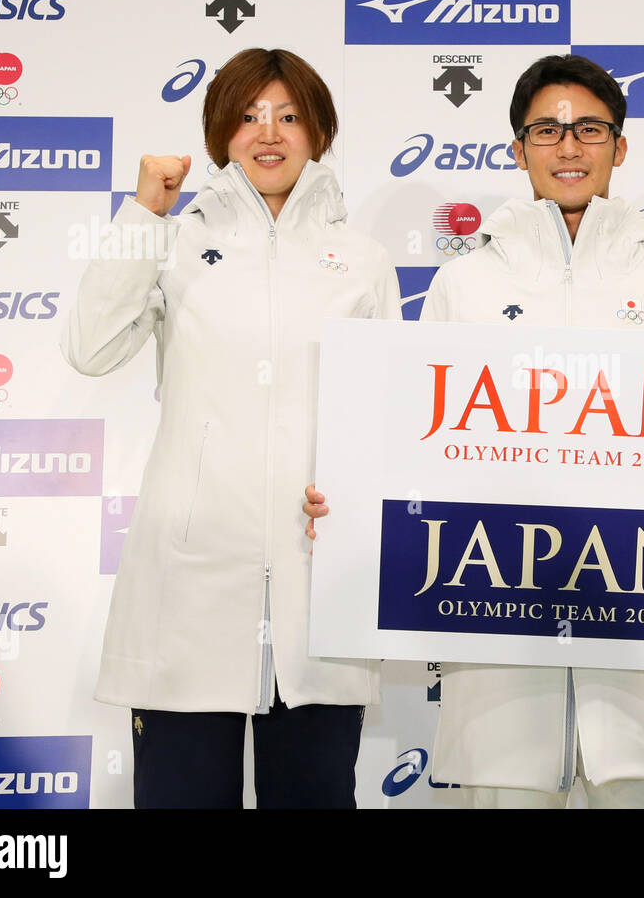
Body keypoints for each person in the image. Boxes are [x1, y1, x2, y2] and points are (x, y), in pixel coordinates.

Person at [305, 53, 644, 808]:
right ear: (518, 149)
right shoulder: (463, 285)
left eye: (589, 129)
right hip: (498, 702)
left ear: (620, 146)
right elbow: (405, 454)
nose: (569, 146)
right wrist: (347, 507)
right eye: (547, 130)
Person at [62, 48, 401, 808]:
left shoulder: (363, 260)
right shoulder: (174, 241)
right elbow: (90, 347)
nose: (268, 132)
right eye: (248, 116)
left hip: (321, 589)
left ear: (319, 130)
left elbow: (391, 415)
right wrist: (144, 212)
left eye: (287, 115)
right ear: (220, 134)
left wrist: (357, 494)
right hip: (189, 586)